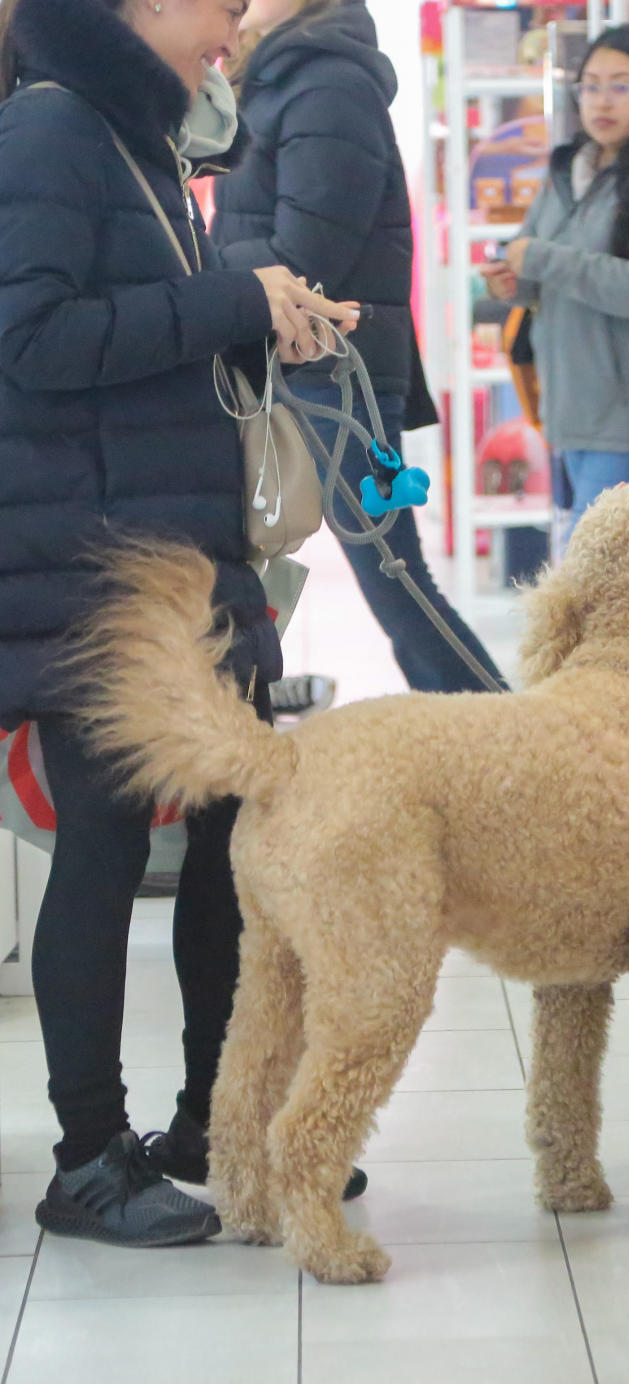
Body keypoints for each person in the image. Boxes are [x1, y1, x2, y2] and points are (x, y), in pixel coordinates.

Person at [0, 0, 363, 1248]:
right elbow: (32, 339)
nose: (236, 22)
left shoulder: (131, 133)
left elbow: (141, 332)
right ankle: (89, 1151)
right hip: (93, 567)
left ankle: (224, 1109)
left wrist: (264, 313)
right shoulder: (54, 130)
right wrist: (228, 305)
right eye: (219, 2)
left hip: (171, 551)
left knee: (231, 830)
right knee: (105, 851)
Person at [212, 0, 506, 695]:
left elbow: (307, 254)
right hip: (295, 362)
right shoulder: (275, 73)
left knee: (394, 576)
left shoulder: (328, 81)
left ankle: (505, 735)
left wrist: (200, 262)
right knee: (382, 574)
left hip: (332, 369)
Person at [480, 23, 629, 545]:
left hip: (625, 419)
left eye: (621, 85)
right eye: (591, 85)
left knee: (593, 579)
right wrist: (513, 284)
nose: (602, 101)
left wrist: (543, 259)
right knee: (588, 579)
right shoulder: (567, 170)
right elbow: (534, 269)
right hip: (565, 412)